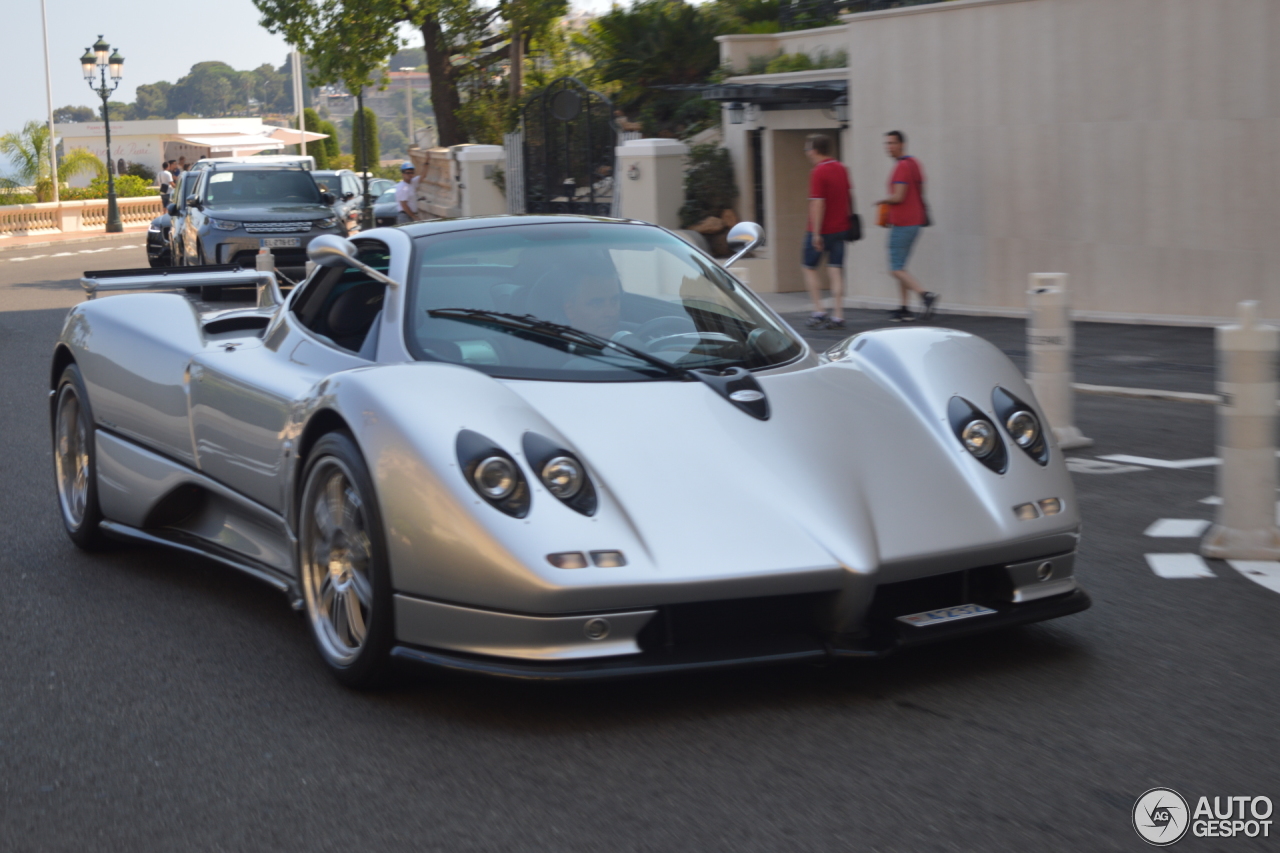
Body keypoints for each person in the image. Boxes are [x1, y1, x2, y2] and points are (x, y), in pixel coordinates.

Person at [874, 130, 937, 322]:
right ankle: (904, 308)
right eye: (887, 143)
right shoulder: (914, 164)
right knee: (901, 267)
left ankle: (925, 295)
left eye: (892, 143)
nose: (889, 147)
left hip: (903, 222)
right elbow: (921, 190)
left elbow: (899, 196)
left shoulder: (901, 166)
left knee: (895, 269)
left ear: (902, 144)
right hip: (915, 220)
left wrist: (883, 201)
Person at [801, 134, 851, 330]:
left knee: (809, 267)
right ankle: (838, 315)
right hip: (842, 227)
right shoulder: (842, 169)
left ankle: (819, 311)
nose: (806, 151)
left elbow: (818, 204)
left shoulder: (818, 172)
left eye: (807, 148)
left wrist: (816, 233)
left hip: (822, 229)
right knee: (835, 270)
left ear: (814, 150)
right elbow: (848, 195)